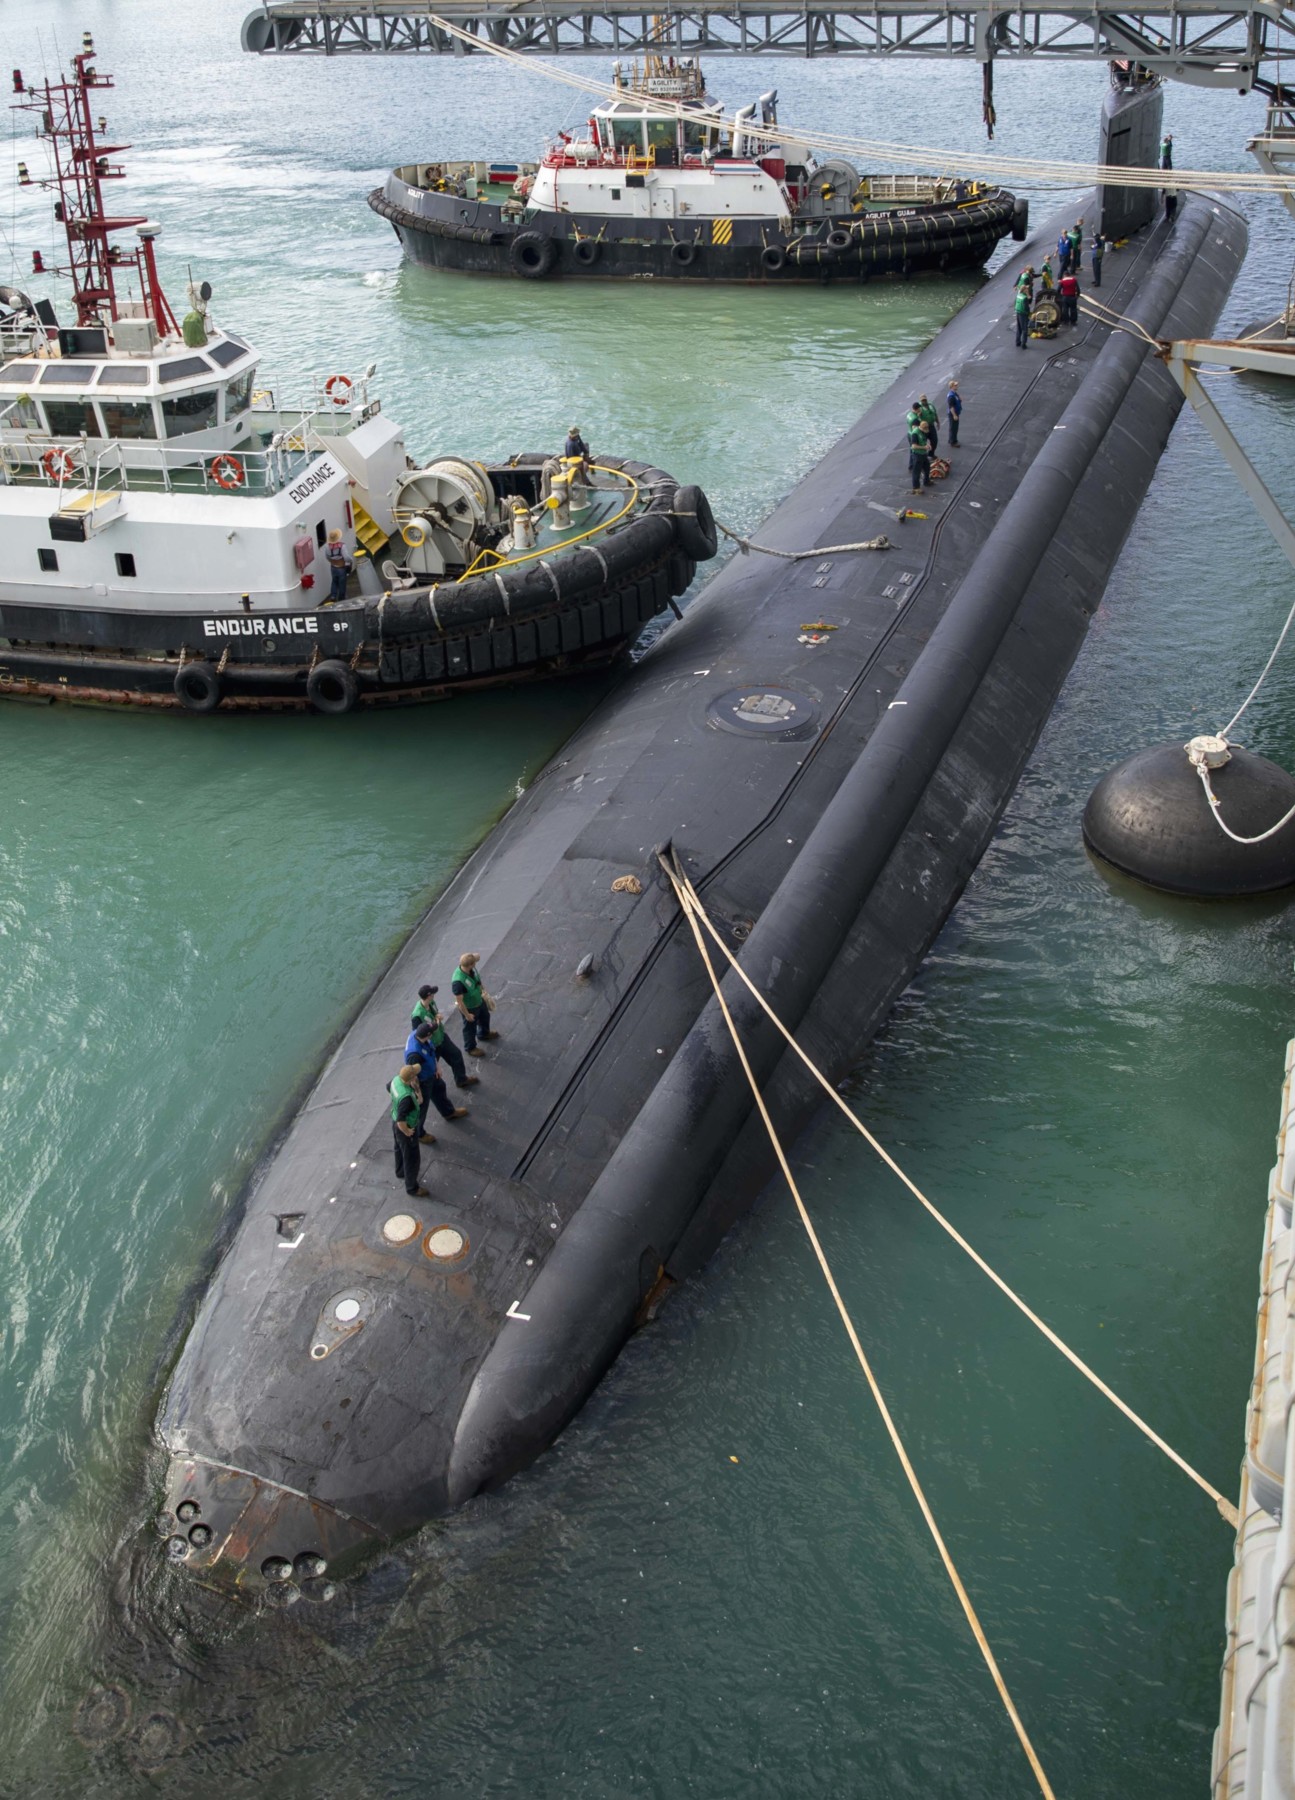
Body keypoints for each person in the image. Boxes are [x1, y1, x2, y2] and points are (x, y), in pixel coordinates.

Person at [406, 1021, 469, 1131]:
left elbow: (431, 1050)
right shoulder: (414, 1054)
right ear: (428, 1035)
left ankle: (448, 1112)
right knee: (422, 1107)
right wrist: (418, 1094)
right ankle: (418, 1132)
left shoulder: (420, 1034)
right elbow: (412, 1076)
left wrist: (437, 1067)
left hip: (431, 1074)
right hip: (423, 1081)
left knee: (440, 1088)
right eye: (432, 1032)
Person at [412, 983, 478, 1089]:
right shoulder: (417, 1015)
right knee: (433, 1070)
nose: (434, 995)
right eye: (432, 993)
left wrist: (437, 1018)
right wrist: (435, 1022)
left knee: (456, 1055)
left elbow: (435, 1015)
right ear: (429, 995)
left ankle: (461, 1079)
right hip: (431, 1045)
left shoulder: (431, 1003)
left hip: (441, 1037)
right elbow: (418, 1034)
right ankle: (433, 1090)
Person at [390, 1061, 429, 1197]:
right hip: (404, 1127)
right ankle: (412, 1187)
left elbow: (388, 1088)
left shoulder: (396, 1081)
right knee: (412, 1158)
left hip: (394, 1121)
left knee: (399, 1149)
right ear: (410, 1079)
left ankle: (400, 1171)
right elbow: (401, 1120)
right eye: (415, 1075)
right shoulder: (406, 1098)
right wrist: (407, 1131)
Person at [453, 952, 496, 1055]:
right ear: (470, 965)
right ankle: (470, 1048)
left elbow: (476, 956)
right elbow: (459, 1002)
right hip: (470, 1007)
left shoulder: (468, 967)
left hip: (479, 1000)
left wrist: (474, 956)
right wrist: (467, 1015)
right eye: (474, 963)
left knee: (485, 1016)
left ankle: (484, 1033)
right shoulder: (458, 982)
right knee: (469, 1028)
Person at [324, 530, 351, 603]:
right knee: (342, 584)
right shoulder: (342, 546)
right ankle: (341, 599)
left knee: (334, 581)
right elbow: (346, 558)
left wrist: (332, 561)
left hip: (333, 567)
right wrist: (350, 560)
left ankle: (333, 595)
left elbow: (327, 557)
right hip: (341, 568)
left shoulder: (327, 546)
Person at [907, 418, 931, 492]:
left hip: (923, 453)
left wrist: (927, 445)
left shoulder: (923, 432)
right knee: (916, 471)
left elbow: (923, 440)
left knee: (927, 467)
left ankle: (926, 481)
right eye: (925, 430)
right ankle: (916, 487)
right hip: (917, 454)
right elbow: (913, 446)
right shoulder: (915, 433)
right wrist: (924, 447)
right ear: (922, 428)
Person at [1014, 280, 1031, 348]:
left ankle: (1017, 342)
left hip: (1018, 312)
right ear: (1024, 290)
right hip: (1023, 314)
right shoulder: (1024, 298)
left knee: (1019, 328)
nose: (1027, 290)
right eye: (1026, 289)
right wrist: (1028, 313)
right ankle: (1023, 344)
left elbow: (1015, 303)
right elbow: (1026, 308)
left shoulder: (1018, 295)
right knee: (1024, 329)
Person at [945, 378, 962, 448]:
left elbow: (958, 400)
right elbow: (951, 407)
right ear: (951, 386)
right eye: (955, 385)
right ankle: (953, 442)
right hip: (953, 414)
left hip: (956, 412)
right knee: (953, 428)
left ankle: (953, 439)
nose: (956, 386)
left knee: (955, 427)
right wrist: (954, 415)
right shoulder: (951, 396)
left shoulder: (954, 393)